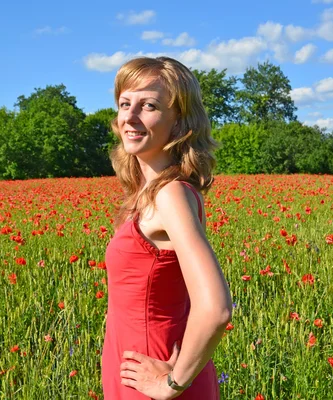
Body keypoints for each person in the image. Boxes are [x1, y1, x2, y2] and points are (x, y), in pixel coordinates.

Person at [101, 56, 233, 400]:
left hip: (154, 376)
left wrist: (171, 383)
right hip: (136, 370)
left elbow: (216, 308)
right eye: (124, 103)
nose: (129, 117)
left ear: (180, 121)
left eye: (148, 106)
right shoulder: (150, 192)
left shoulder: (170, 194)